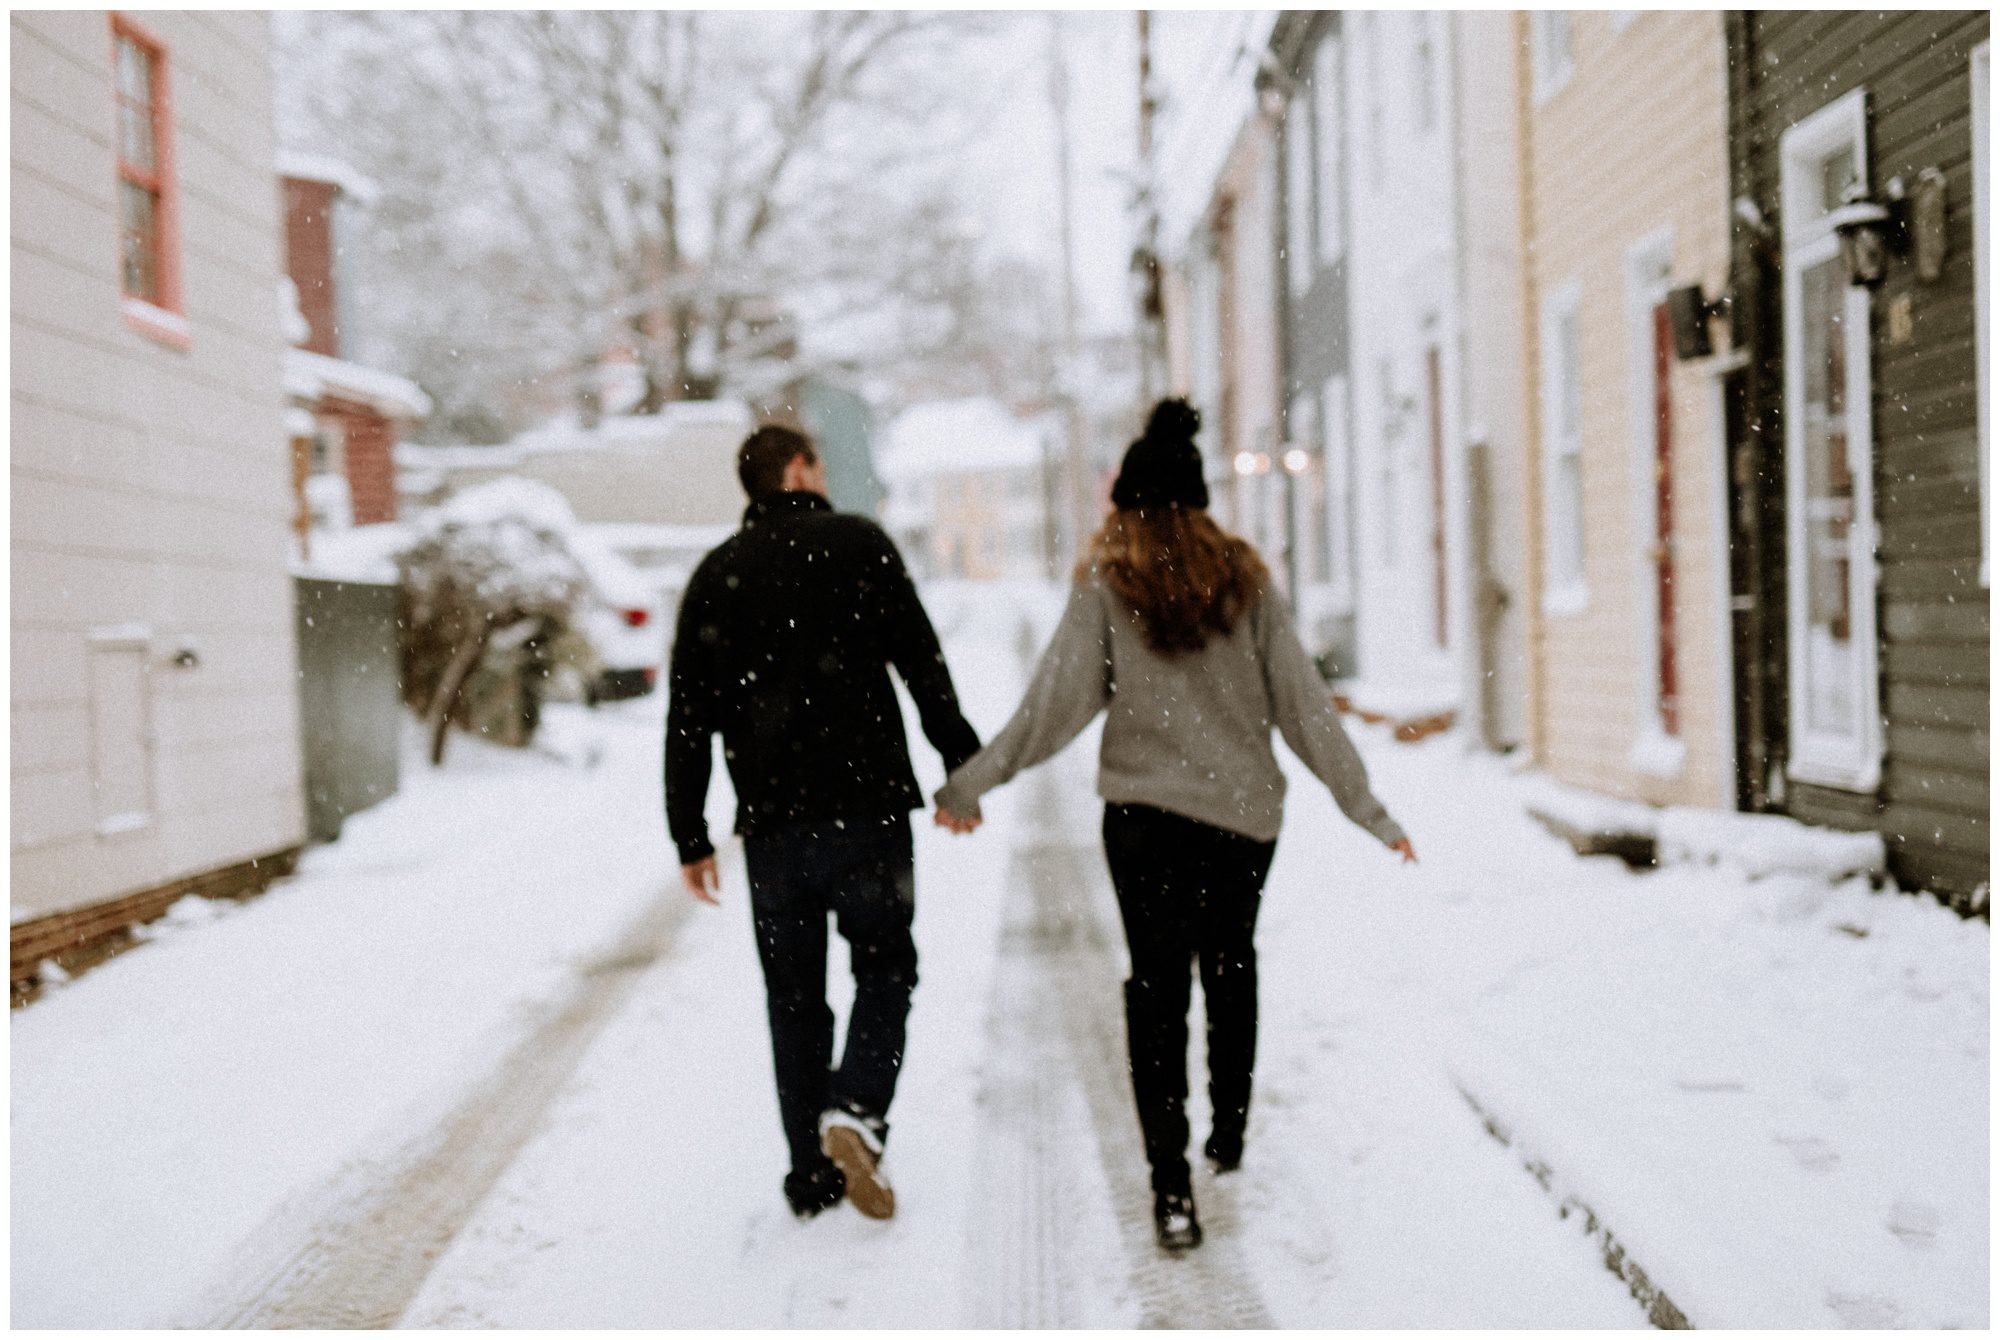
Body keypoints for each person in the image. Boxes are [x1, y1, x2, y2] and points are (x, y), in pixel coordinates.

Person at [934, 399, 1414, 1252]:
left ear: (1127, 500)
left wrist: (972, 783)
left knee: (1155, 990)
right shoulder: (1246, 582)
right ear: (1199, 500)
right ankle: (1227, 1132)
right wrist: (1366, 809)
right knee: (1230, 965)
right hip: (1241, 822)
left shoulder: (1108, 584)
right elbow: (1304, 707)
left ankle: (1170, 1185)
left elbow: (1054, 706)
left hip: (1145, 822)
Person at [666, 424, 982, 1222]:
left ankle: (811, 1174)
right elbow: (921, 661)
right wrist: (962, 768)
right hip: (867, 809)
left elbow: (688, 717)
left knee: (794, 998)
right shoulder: (859, 545)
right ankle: (859, 1107)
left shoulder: (717, 574)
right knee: (885, 965)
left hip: (773, 827)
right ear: (800, 469)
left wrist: (689, 832)